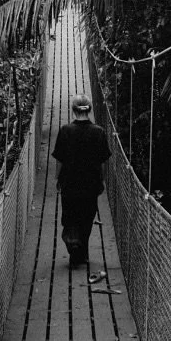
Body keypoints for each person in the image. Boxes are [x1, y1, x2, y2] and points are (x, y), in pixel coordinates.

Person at [52, 95, 111, 267]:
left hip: (69, 183)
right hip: (91, 184)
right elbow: (103, 161)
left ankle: (75, 248)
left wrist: (58, 178)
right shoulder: (99, 132)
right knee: (86, 217)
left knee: (70, 217)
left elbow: (59, 160)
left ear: (73, 109)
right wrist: (102, 180)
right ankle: (80, 251)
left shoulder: (65, 130)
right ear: (90, 109)